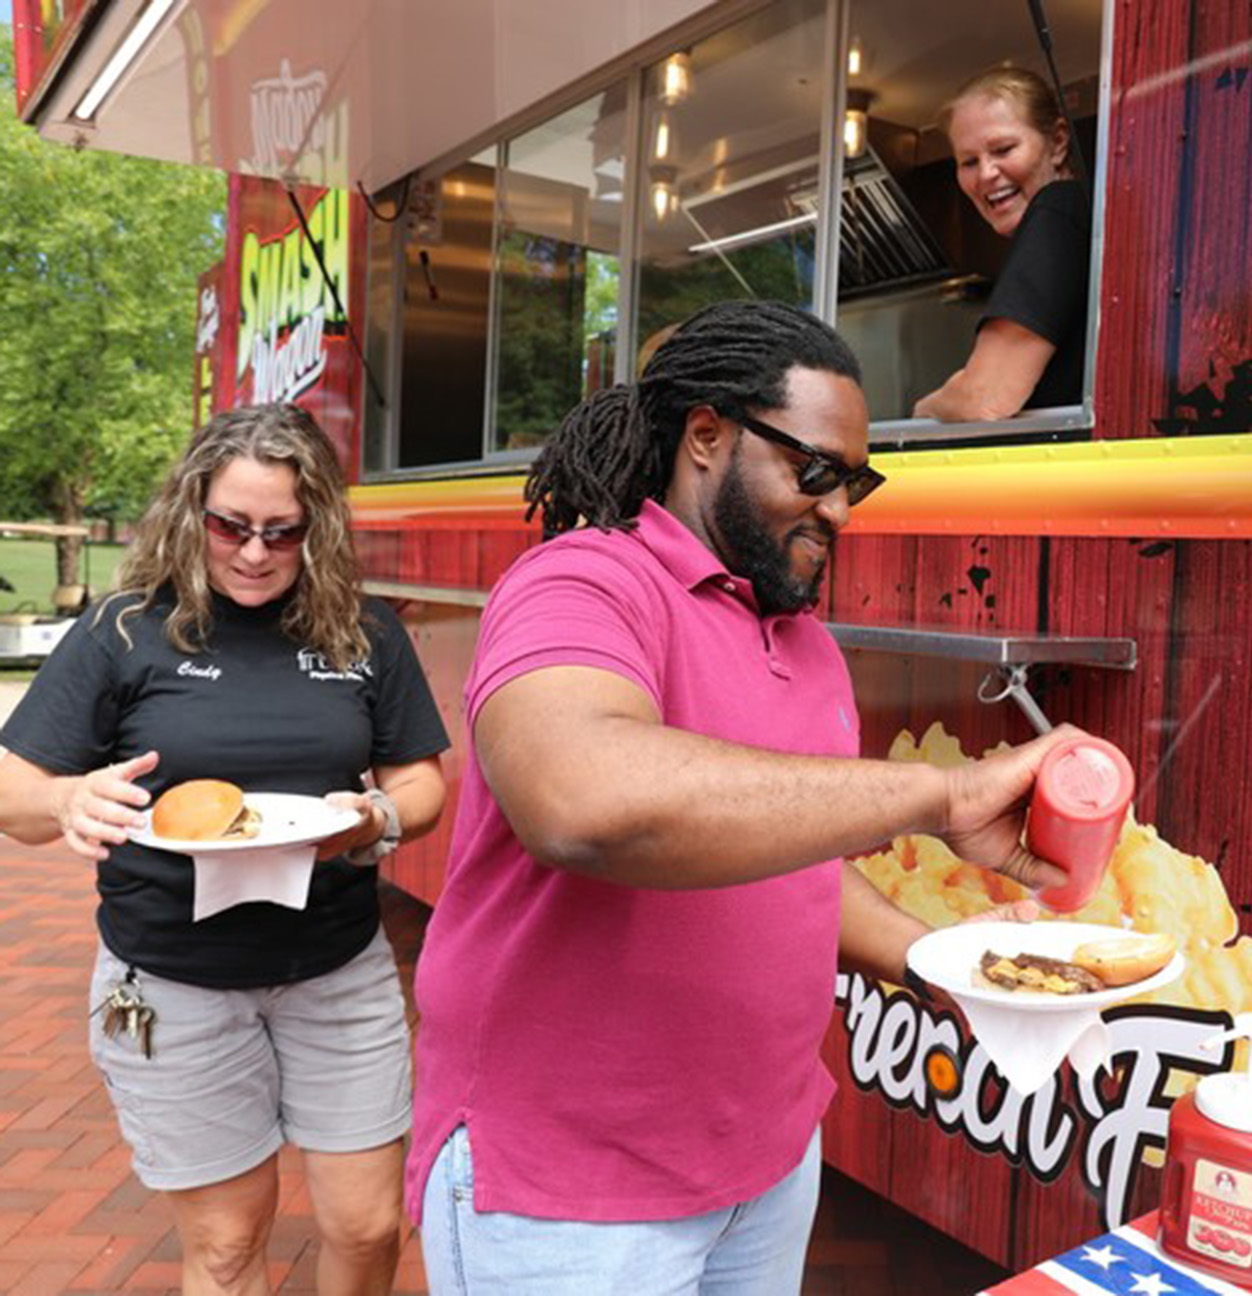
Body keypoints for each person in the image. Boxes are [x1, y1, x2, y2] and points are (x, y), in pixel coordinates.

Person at [408, 298, 1086, 1294]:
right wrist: (938, 797)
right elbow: (581, 800)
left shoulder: (805, 640)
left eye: (858, 481)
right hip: (571, 1193)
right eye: (815, 471)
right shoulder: (583, 582)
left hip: (763, 1166)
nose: (842, 510)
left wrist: (955, 962)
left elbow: (788, 866)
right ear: (708, 436)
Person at [0, 403, 450, 1296]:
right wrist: (64, 796)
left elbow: (423, 786)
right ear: (190, 511)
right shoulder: (124, 629)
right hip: (172, 980)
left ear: (315, 528)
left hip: (335, 970)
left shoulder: (364, 633)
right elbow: (13, 792)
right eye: (230, 526)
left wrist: (375, 823)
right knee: (226, 1245)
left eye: (282, 533)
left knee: (366, 1227)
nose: (253, 553)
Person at [914, 66, 1091, 421]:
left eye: (1003, 149)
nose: (986, 174)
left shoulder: (1058, 207)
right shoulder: (1084, 215)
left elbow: (985, 398)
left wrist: (925, 409)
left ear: (1057, 142)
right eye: (968, 162)